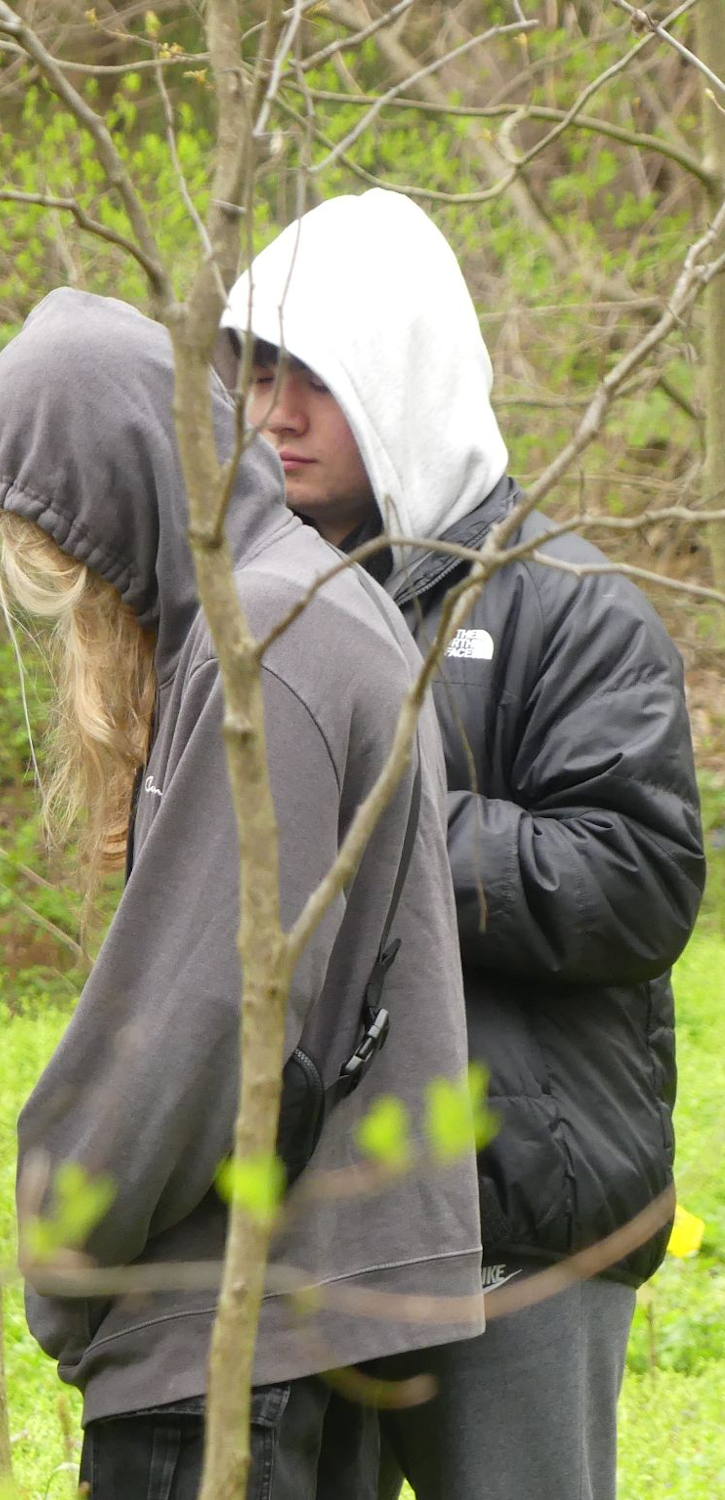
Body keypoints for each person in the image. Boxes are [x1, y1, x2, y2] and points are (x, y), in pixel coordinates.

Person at [222, 188, 707, 1500]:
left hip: (525, 1230)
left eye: (312, 376)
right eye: (256, 371)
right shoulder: (252, 612)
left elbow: (638, 883)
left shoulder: (572, 612)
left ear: (402, 376)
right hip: (313, 1225)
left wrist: (390, 837)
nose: (275, 412)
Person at [0, 289, 485, 1498]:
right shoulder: (286, 600)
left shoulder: (268, 638)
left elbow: (200, 1020)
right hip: (297, 1312)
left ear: (103, 496)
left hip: (235, 1331)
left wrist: (64, 1241)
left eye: (47, 538)